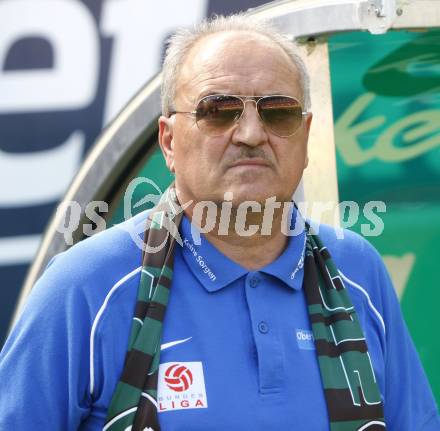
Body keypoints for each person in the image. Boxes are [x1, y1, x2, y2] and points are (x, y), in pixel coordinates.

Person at [0, 14, 439, 431]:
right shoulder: (87, 287)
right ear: (169, 142)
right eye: (219, 110)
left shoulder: (357, 270)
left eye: (278, 111)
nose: (250, 132)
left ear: (305, 138)